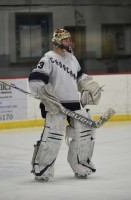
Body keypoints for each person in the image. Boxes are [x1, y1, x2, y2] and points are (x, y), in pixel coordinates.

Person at [29, 28, 102, 181]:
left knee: (84, 133)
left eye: (69, 39)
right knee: (53, 135)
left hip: (73, 103)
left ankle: (81, 164)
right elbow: (36, 78)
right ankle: (42, 168)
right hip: (55, 105)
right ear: (57, 41)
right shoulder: (48, 58)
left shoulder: (72, 58)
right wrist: (44, 94)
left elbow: (80, 77)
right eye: (65, 39)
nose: (69, 42)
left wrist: (88, 84)